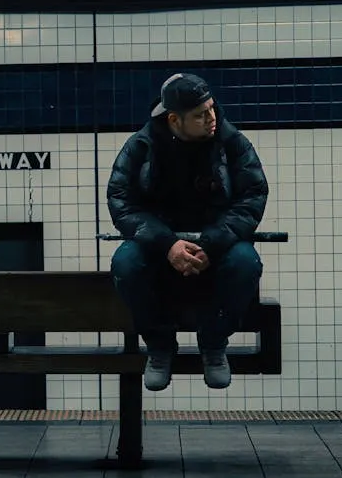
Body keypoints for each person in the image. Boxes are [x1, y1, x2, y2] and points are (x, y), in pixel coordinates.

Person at [106, 73, 268, 392]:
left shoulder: (231, 141)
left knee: (245, 263)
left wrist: (212, 244)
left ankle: (213, 344)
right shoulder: (143, 144)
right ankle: (159, 346)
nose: (212, 118)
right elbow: (120, 201)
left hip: (217, 246)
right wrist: (167, 245)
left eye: (211, 108)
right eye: (200, 114)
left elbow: (253, 196)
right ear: (174, 119)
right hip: (159, 248)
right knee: (125, 264)